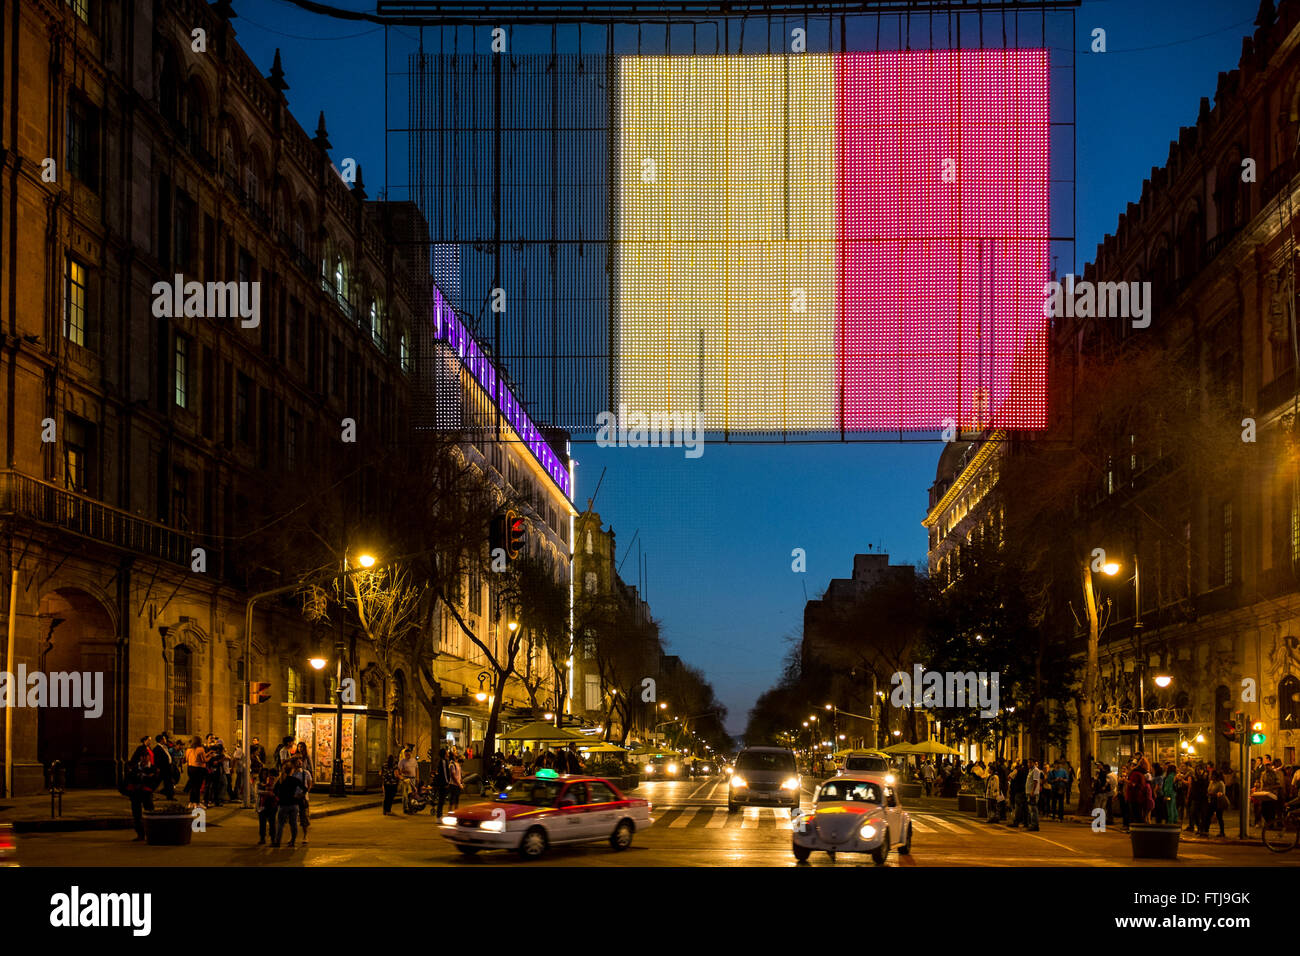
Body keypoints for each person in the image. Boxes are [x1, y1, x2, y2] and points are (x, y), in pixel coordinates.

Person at [124, 735, 162, 841]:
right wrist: (131, 788)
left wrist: (149, 787)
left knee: (150, 813)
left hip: (146, 793)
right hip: (136, 794)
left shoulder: (153, 769)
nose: (144, 758)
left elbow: (155, 781)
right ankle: (140, 834)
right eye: (142, 757)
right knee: (137, 815)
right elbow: (128, 780)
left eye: (146, 757)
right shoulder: (135, 768)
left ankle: (153, 833)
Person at [272, 765, 306, 848]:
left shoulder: (280, 780)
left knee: (280, 824)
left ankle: (278, 842)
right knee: (293, 824)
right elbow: (305, 788)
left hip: (283, 804)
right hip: (293, 803)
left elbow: (274, 790)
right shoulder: (294, 780)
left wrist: (278, 797)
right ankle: (293, 841)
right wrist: (300, 795)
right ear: (292, 771)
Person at [292, 756, 314, 843]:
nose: (299, 762)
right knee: (292, 818)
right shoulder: (292, 773)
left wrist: (305, 793)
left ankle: (305, 835)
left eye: (300, 760)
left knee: (304, 817)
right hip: (294, 797)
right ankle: (293, 836)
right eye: (297, 761)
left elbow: (309, 784)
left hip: (303, 798)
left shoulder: (306, 773)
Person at [256, 767, 279, 845]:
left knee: (272, 823)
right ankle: (262, 838)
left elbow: (276, 791)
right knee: (262, 823)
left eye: (267, 774)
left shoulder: (273, 781)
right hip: (262, 805)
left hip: (272, 805)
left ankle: (273, 839)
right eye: (263, 774)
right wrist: (267, 792)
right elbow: (258, 791)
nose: (265, 775)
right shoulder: (259, 783)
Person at [185, 735, 207, 809]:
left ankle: (191, 802)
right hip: (199, 769)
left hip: (190, 768)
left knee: (193, 785)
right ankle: (197, 803)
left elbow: (187, 759)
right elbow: (204, 760)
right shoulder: (201, 749)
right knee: (197, 786)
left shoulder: (188, 749)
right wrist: (211, 756)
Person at [151, 734, 175, 799]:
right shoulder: (157, 749)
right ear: (161, 740)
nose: (165, 740)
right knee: (157, 782)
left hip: (167, 767)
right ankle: (148, 792)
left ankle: (170, 796)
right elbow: (156, 759)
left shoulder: (164, 747)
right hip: (162, 768)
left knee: (168, 782)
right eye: (164, 739)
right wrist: (157, 767)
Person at [1205, 769, 1227, 837]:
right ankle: (1206, 831)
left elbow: (1221, 793)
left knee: (1219, 817)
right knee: (1208, 816)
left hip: (1218, 802)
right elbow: (1208, 790)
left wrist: (1213, 794)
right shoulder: (1211, 782)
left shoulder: (1220, 783)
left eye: (1212, 775)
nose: (1211, 776)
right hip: (1211, 801)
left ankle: (1222, 832)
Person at [1024, 758, 1043, 831]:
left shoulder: (1036, 770)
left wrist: (1032, 791)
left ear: (1034, 763)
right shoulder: (1030, 770)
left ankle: (1035, 825)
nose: (1029, 764)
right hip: (1029, 792)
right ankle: (1031, 824)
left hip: (1033, 793)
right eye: (1028, 763)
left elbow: (1035, 782)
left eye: (1030, 763)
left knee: (1033, 809)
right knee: (1030, 809)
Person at [433, 747, 451, 818]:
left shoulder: (443, 760)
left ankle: (439, 815)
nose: (448, 753)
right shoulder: (443, 761)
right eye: (447, 752)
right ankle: (439, 816)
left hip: (442, 783)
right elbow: (445, 773)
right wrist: (447, 783)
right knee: (441, 800)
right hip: (443, 783)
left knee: (442, 799)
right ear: (444, 753)